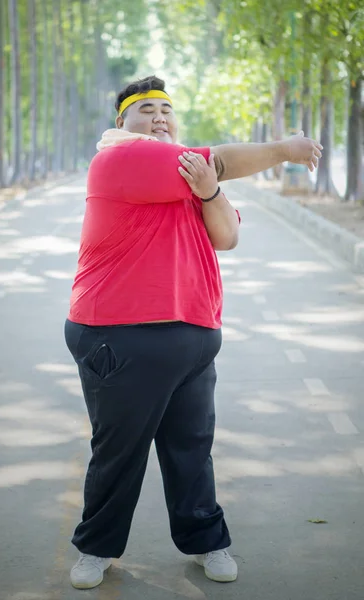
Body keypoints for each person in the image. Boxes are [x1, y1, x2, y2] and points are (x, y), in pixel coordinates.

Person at [65, 75, 322, 590]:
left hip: (193, 337)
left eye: (166, 108)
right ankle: (96, 548)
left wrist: (211, 191)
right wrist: (283, 149)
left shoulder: (185, 172)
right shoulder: (119, 158)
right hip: (121, 335)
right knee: (119, 452)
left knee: (191, 448)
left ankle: (207, 541)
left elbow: (225, 235)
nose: (159, 116)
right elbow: (220, 160)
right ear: (122, 123)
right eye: (146, 109)